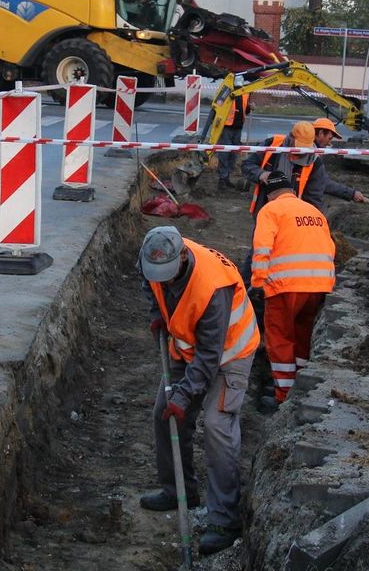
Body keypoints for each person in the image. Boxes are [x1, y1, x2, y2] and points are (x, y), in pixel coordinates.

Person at [137, 226, 260, 555]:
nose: (160, 281)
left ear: (181, 259)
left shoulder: (211, 286)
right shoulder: (151, 254)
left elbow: (210, 356)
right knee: (164, 414)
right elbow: (148, 285)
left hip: (230, 353)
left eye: (166, 276)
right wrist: (156, 314)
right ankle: (179, 491)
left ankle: (224, 518)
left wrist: (184, 395)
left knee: (217, 425)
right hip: (187, 346)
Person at [249, 172, 336, 409]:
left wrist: (257, 283)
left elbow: (262, 249)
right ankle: (300, 383)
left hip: (284, 286)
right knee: (301, 335)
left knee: (279, 338)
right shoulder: (314, 212)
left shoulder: (271, 211)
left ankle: (283, 395)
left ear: (270, 195)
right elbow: (330, 247)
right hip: (318, 286)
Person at [241, 120, 364, 218]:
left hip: (291, 216)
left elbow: (316, 194)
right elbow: (247, 165)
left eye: (306, 147)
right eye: (300, 147)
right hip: (265, 211)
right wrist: (261, 174)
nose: (302, 152)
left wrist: (317, 221)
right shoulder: (273, 146)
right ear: (292, 138)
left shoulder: (314, 161)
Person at [217, 92, 251, 190]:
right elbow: (218, 105)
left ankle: (226, 177)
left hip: (238, 127)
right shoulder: (227, 91)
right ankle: (222, 179)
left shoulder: (246, 93)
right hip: (227, 126)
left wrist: (250, 107)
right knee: (224, 154)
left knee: (233, 154)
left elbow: (246, 110)